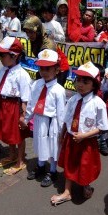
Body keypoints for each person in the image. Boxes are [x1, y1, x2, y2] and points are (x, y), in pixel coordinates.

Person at [50, 61, 108, 206]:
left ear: (94, 84)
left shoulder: (98, 103)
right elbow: (66, 119)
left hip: (87, 142)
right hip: (71, 139)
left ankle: (85, 184)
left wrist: (84, 135)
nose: (80, 84)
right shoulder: (73, 100)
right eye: (78, 80)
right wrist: (62, 134)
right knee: (70, 164)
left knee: (85, 166)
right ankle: (67, 192)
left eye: (86, 81)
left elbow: (102, 127)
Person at [22, 49, 66, 186]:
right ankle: (41, 166)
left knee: (53, 147)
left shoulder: (59, 90)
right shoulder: (36, 85)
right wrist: (26, 119)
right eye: (42, 68)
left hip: (52, 122)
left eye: (48, 68)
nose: (44, 72)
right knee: (40, 144)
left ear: (56, 69)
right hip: (39, 120)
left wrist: (61, 131)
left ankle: (52, 171)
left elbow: (61, 112)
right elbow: (31, 103)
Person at [0, 37, 31, 175]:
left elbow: (25, 98)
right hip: (2, 104)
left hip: (15, 106)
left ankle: (20, 160)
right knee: (7, 131)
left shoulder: (22, 74)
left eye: (3, 55)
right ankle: (12, 154)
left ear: (14, 55)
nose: (0, 57)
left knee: (18, 134)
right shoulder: (2, 70)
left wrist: (23, 115)